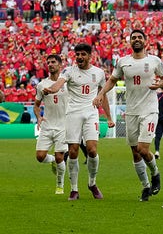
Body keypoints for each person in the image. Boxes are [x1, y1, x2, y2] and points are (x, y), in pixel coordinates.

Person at [94, 30, 163, 202]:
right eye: (133, 37)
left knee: (143, 149)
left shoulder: (154, 61)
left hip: (149, 110)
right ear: (130, 41)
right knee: (135, 153)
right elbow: (112, 80)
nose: (136, 40)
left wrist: (159, 84)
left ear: (145, 41)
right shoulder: (123, 62)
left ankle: (155, 173)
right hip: (132, 111)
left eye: (139, 37)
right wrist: (101, 94)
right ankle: (145, 186)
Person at [44, 43, 115, 201]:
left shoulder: (98, 73)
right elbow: (58, 84)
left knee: (91, 150)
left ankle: (92, 183)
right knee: (74, 150)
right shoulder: (68, 71)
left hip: (91, 113)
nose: (80, 57)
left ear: (90, 56)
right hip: (73, 113)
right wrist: (52, 89)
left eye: (83, 54)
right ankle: (74, 189)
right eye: (77, 55)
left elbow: (102, 95)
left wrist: (109, 117)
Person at [34, 54, 68, 195]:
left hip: (63, 125)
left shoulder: (67, 83)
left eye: (53, 62)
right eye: (48, 62)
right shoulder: (41, 85)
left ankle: (59, 185)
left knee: (61, 157)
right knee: (40, 157)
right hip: (47, 125)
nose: (50, 64)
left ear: (60, 65)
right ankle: (52, 160)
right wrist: (38, 117)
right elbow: (36, 105)